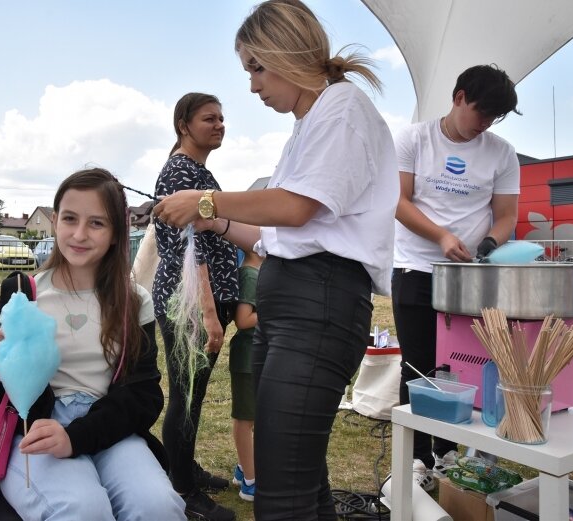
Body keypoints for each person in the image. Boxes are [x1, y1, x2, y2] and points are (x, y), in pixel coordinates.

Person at [153, 1, 399, 518]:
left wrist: (205, 201)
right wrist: (214, 221)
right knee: (297, 478)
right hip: (294, 306)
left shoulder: (342, 109)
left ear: (286, 52)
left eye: (255, 68)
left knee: (282, 493)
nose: (252, 86)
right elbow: (277, 232)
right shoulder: (309, 123)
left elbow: (295, 206)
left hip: (320, 303)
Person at [0, 168, 186, 521]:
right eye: (70, 219)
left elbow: (144, 396)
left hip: (109, 425)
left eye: (97, 223)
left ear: (117, 232)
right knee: (83, 510)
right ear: (55, 221)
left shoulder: (134, 301)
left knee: (158, 506)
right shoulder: (24, 292)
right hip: (34, 430)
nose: (80, 234)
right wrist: (0, 362)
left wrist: (77, 437)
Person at [392, 64, 520, 492]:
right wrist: (441, 236)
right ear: (459, 97)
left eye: (493, 118)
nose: (484, 125)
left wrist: (487, 244)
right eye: (481, 112)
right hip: (417, 268)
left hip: (471, 278)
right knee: (418, 364)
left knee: (460, 369)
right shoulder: (413, 139)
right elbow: (399, 201)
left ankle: (449, 453)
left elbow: (506, 216)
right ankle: (415, 457)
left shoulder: (501, 153)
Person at [153, 92, 240, 521]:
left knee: (194, 394)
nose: (220, 124)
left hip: (206, 299)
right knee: (186, 396)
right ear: (184, 125)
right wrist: (208, 313)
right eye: (210, 118)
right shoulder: (179, 173)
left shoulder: (198, 171)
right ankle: (182, 491)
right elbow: (192, 251)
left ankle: (183, 466)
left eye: (222, 118)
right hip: (190, 302)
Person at [229, 247, 262, 503]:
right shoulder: (250, 274)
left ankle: (244, 467)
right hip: (247, 358)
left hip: (256, 355)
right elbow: (243, 320)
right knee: (244, 418)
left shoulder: (258, 271)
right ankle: (250, 481)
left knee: (252, 416)